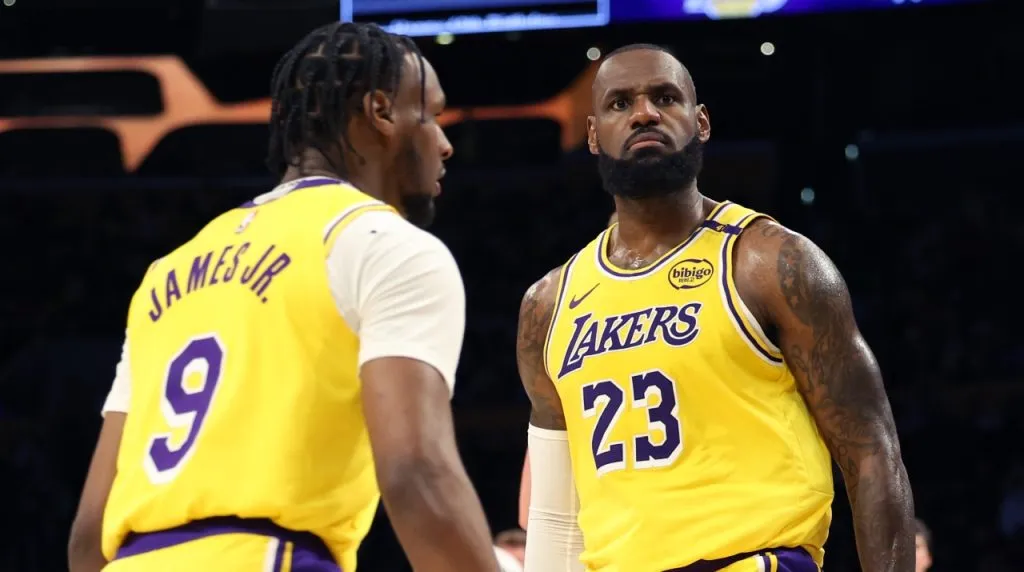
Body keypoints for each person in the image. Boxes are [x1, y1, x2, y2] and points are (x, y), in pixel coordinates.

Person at [67, 22, 498, 572]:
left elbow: (87, 536)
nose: (444, 141)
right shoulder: (385, 244)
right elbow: (416, 473)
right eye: (430, 114)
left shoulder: (165, 273)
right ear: (381, 112)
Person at [517, 43, 915, 572]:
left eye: (665, 97)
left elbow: (872, 453)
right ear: (592, 135)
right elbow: (556, 516)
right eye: (619, 104)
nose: (644, 113)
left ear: (700, 122)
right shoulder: (548, 305)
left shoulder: (771, 261)